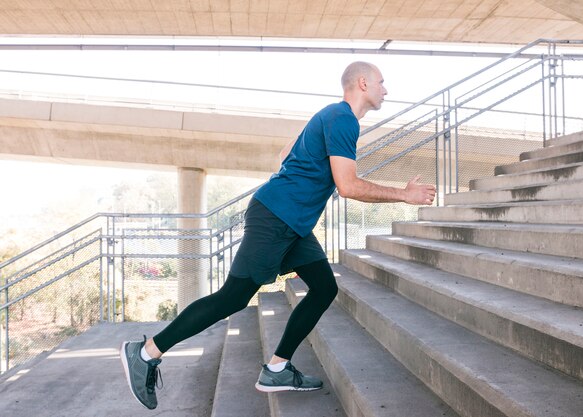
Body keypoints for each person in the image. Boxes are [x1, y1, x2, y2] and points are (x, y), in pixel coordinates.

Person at [120, 61, 436, 410]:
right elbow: (347, 186)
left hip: (291, 222)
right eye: (381, 82)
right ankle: (146, 353)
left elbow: (284, 155)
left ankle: (277, 368)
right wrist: (403, 195)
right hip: (276, 218)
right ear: (362, 83)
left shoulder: (331, 117)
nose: (385, 90)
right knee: (233, 298)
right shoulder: (343, 118)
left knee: (324, 287)